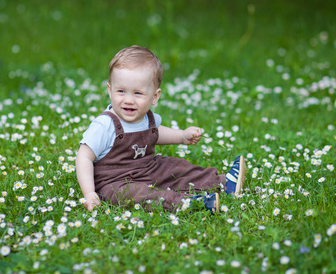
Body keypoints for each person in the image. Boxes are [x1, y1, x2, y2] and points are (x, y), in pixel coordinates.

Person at [76, 45, 246, 213]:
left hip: (148, 168)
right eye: (121, 91)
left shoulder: (146, 118)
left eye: (137, 93)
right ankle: (188, 204)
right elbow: (84, 156)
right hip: (114, 182)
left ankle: (223, 182)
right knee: (137, 195)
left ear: (154, 97)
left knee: (176, 168)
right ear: (110, 90)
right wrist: (90, 193)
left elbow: (156, 133)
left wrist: (181, 136)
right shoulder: (104, 125)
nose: (128, 100)